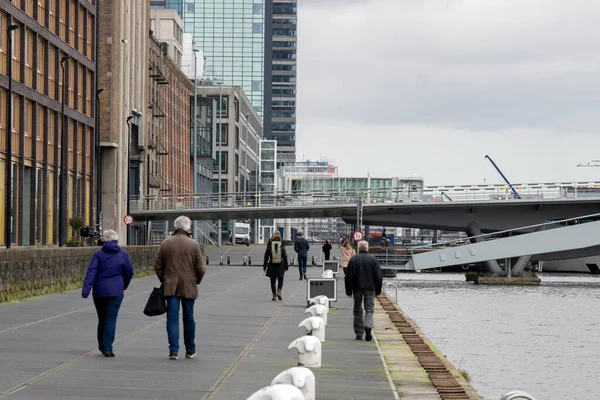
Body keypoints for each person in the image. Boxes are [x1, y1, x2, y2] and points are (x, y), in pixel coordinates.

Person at [155, 215, 206, 360]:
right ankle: (190, 349)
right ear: (188, 227)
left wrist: (165, 279)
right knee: (188, 317)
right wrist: (196, 280)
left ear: (175, 227)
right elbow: (201, 268)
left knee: (172, 319)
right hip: (189, 285)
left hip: (170, 286)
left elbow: (158, 266)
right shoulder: (193, 244)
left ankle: (173, 351)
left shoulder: (165, 244)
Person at [82, 229, 133, 357]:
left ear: (104, 241)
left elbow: (91, 272)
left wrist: (86, 290)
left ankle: (102, 345)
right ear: (116, 240)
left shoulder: (98, 255)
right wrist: (123, 285)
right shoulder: (123, 255)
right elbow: (129, 273)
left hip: (99, 291)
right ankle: (108, 348)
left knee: (102, 319)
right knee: (111, 319)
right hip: (116, 292)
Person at [344, 240, 383, 342]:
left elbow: (348, 277)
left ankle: (359, 333)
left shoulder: (353, 259)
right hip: (370, 288)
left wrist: (348, 291)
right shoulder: (373, 260)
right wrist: (378, 290)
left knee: (357, 310)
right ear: (367, 248)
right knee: (369, 309)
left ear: (358, 248)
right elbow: (378, 276)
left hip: (356, 288)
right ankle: (368, 326)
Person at [263, 231, 289, 301]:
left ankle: (274, 295)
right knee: (281, 279)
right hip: (280, 265)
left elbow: (266, 256)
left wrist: (264, 266)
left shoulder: (270, 243)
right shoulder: (281, 243)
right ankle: (279, 292)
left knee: (272, 281)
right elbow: (285, 256)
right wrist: (286, 266)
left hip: (272, 264)